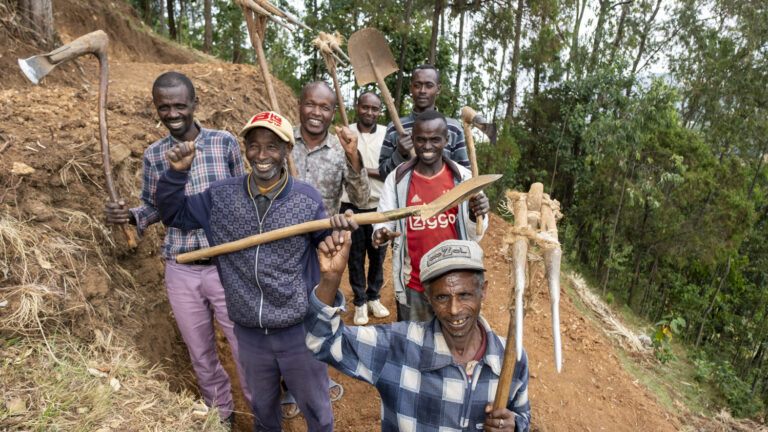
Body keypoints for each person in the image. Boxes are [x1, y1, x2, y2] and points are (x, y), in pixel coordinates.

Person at [155, 111, 336, 431]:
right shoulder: (221, 196)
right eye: (254, 146)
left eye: (272, 146)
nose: (262, 155)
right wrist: (176, 175)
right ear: (245, 150)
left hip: (298, 331)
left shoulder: (307, 199)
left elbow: (327, 244)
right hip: (250, 333)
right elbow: (174, 215)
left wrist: (338, 236)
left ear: (287, 151)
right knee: (264, 413)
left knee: (317, 413)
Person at [103, 71, 250, 426]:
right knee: (200, 353)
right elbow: (155, 207)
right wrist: (129, 216)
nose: (172, 113)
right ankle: (221, 417)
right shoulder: (154, 155)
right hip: (181, 268)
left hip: (226, 265)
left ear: (194, 105)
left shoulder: (224, 143)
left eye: (179, 105)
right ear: (156, 108)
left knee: (245, 346)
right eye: (163, 107)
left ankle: (263, 411)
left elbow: (245, 196)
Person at [305, 234, 532, 431]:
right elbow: (323, 341)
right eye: (442, 297)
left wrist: (514, 426)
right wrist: (331, 279)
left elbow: (522, 416)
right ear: (428, 298)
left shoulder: (511, 359)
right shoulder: (397, 346)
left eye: (464, 295)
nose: (454, 310)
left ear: (483, 291)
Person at [283, 80, 370, 416]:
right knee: (288, 319)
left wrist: (353, 155)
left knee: (320, 314)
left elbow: (361, 199)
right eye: (310, 104)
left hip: (322, 249)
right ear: (299, 104)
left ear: (333, 112)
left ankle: (317, 378)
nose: (316, 113)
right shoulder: (282, 140)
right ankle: (290, 386)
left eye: (324, 107)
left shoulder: (341, 146)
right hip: (283, 245)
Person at [373, 110, 489, 322]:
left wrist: (476, 213)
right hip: (416, 285)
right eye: (421, 140)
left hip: (456, 285)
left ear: (446, 140)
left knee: (454, 346)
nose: (427, 146)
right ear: (413, 140)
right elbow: (384, 220)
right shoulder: (397, 179)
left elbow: (476, 235)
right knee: (414, 346)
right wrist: (381, 233)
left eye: (435, 139)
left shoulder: (464, 179)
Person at [339, 91, 390, 325]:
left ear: (380, 111)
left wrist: (359, 168)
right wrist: (369, 168)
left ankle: (374, 297)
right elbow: (341, 168)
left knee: (378, 255)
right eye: (365, 107)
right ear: (357, 106)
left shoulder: (388, 135)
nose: (370, 112)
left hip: (380, 205)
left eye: (375, 108)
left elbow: (389, 170)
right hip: (351, 205)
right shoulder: (345, 133)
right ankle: (359, 301)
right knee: (356, 257)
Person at [378, 64, 470, 178]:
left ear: (438, 89)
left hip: (446, 194)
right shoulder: (394, 128)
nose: (422, 91)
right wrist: (399, 153)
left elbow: (466, 175)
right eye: (417, 85)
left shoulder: (453, 128)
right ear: (410, 88)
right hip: (406, 195)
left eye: (429, 85)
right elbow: (383, 174)